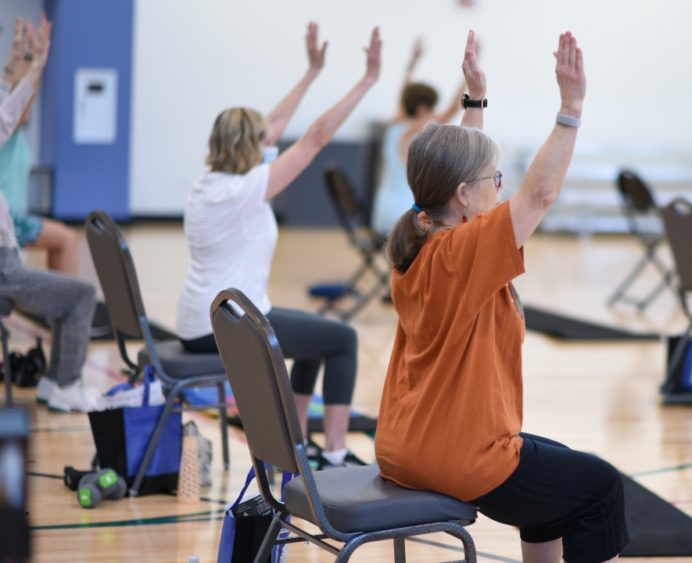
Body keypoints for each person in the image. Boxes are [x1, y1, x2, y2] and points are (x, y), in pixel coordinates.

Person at [376, 31, 628, 563]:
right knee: (601, 488)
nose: (501, 187)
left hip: (408, 443)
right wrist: (571, 108)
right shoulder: (460, 257)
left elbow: (460, 170)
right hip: (455, 456)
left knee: (555, 477)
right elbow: (540, 193)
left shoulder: (422, 241)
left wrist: (475, 99)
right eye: (495, 180)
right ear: (466, 197)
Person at [176, 23, 381, 467]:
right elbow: (314, 137)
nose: (269, 138)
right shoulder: (243, 190)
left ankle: (300, 444)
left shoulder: (211, 181)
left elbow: (275, 126)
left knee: (315, 339)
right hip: (227, 325)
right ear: (250, 148)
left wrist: (311, 72)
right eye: (261, 139)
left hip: (205, 319)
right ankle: (336, 451)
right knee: (342, 338)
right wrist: (366, 81)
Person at [0, 14, 98, 412]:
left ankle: (55, 385)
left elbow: (10, 108)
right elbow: (11, 110)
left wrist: (34, 63)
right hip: (6, 272)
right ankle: (65, 384)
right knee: (81, 295)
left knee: (64, 292)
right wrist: (36, 63)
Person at [0, 17, 78, 274]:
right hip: (10, 219)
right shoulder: (9, 129)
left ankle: (54, 304)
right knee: (66, 240)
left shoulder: (17, 135)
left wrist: (29, 56)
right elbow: (16, 96)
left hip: (12, 221)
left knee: (64, 240)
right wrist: (33, 59)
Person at [369, 38, 463, 236]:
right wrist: (467, 75)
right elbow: (453, 109)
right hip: (404, 217)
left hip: (381, 212)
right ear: (423, 108)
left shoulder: (394, 125)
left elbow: (404, 96)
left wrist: (412, 62)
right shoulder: (413, 131)